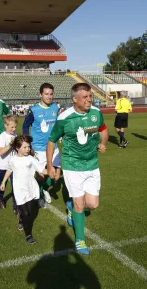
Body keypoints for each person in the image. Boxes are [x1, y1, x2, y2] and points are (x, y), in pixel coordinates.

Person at [46, 83, 109, 255]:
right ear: (75, 99)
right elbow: (52, 140)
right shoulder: (65, 118)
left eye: (90, 97)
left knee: (93, 204)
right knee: (80, 204)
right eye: (85, 97)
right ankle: (80, 240)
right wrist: (50, 165)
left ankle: (73, 210)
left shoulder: (96, 113)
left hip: (92, 165)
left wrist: (103, 143)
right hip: (73, 167)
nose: (89, 100)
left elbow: (103, 129)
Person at [0, 135, 47, 244]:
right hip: (19, 190)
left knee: (30, 213)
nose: (27, 149)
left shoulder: (30, 159)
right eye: (25, 147)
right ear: (17, 147)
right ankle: (28, 234)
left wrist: (52, 171)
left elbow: (42, 170)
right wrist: (3, 182)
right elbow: (9, 170)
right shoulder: (12, 160)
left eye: (29, 147)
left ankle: (21, 217)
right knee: (26, 214)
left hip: (30, 189)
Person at [22, 83, 60, 208]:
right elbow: (25, 125)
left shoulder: (55, 108)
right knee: (41, 174)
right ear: (40, 95)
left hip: (53, 146)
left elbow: (58, 125)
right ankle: (40, 195)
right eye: (46, 94)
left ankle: (44, 189)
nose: (49, 96)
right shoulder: (34, 110)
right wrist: (27, 142)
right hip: (38, 148)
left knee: (54, 174)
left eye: (51, 94)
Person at [0, 116, 17, 211]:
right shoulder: (2, 137)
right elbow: (0, 152)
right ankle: (0, 198)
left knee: (15, 186)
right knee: (2, 185)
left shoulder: (16, 136)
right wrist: (10, 145)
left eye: (15, 127)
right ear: (5, 125)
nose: (14, 129)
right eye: (12, 127)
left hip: (13, 167)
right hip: (2, 166)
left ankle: (15, 206)